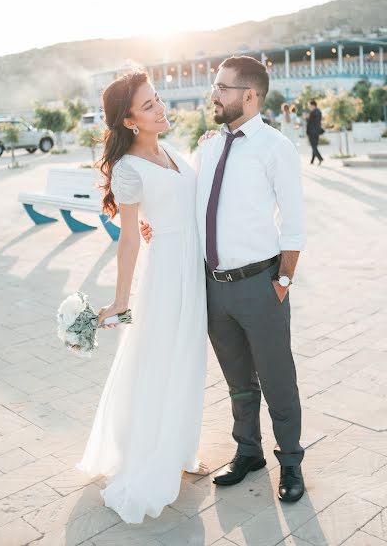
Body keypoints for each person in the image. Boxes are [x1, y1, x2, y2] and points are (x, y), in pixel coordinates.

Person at [141, 55, 306, 503]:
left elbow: (294, 224)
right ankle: (248, 452)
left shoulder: (276, 147)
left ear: (249, 96)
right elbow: (192, 203)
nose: (213, 94)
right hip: (213, 286)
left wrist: (282, 284)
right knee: (237, 380)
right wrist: (153, 222)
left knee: (277, 379)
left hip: (261, 285)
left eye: (222, 87)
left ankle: (290, 461)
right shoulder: (208, 144)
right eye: (215, 86)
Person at [75, 66, 209, 524]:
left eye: (158, 99)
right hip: (168, 271)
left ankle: (177, 444)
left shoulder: (169, 148)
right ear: (130, 120)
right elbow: (128, 237)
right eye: (148, 105)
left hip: (193, 265)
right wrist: (122, 300)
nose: (160, 107)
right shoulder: (129, 169)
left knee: (188, 357)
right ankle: (150, 456)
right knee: (160, 359)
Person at [306, 99, 324, 164]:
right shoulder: (319, 112)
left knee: (313, 146)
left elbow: (310, 122)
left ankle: (320, 158)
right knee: (314, 146)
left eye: (310, 106)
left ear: (313, 105)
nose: (309, 107)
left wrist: (307, 118)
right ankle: (312, 160)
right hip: (317, 131)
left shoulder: (313, 112)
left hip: (312, 132)